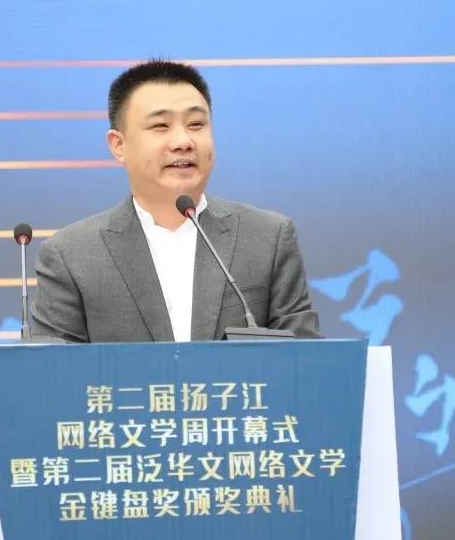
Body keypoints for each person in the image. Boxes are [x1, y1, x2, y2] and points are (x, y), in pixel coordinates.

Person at [30, 59, 319, 342]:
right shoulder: (71, 255)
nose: (183, 142)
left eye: (196, 124)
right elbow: (54, 369)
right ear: (119, 145)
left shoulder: (268, 238)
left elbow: (305, 360)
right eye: (161, 126)